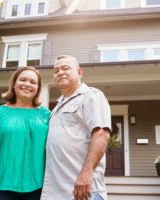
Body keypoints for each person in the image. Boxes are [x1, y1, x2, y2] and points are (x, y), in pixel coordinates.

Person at [0, 66, 50, 200]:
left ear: (38, 88)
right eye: (23, 80)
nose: (27, 84)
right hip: (2, 190)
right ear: (14, 84)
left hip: (39, 190)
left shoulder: (46, 115)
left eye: (33, 82)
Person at [41, 55, 111, 200]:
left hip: (82, 191)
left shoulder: (91, 96)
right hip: (56, 191)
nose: (60, 72)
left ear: (79, 72)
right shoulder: (57, 107)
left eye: (65, 68)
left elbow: (101, 134)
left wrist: (86, 174)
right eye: (56, 70)